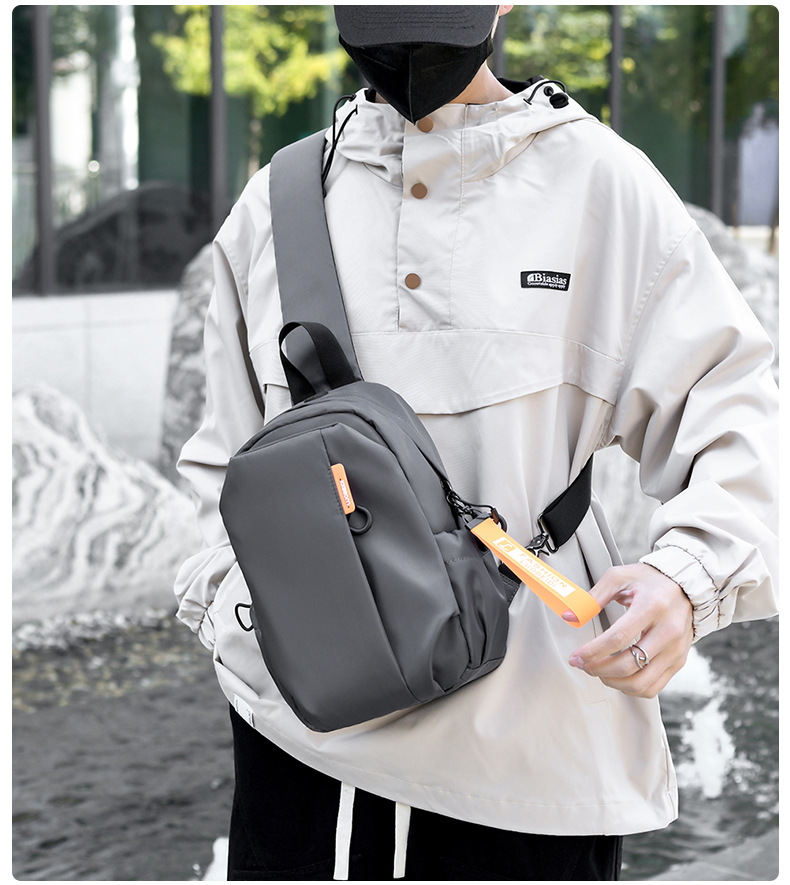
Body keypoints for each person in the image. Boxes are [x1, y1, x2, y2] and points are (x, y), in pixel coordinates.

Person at [174, 6, 779, 880]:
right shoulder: (278, 202)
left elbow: (735, 408)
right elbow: (220, 463)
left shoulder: (603, 186)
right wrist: (242, 620)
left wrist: (686, 579)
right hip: (299, 745)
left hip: (534, 756)